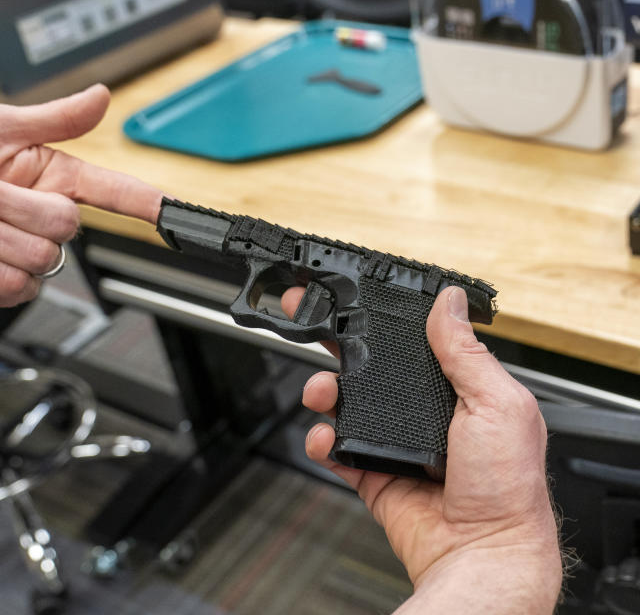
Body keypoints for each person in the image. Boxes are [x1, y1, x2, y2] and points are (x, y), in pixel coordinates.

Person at [0, 87, 564, 613]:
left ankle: (392, 442)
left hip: (402, 319)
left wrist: (497, 551)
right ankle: (393, 443)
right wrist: (502, 553)